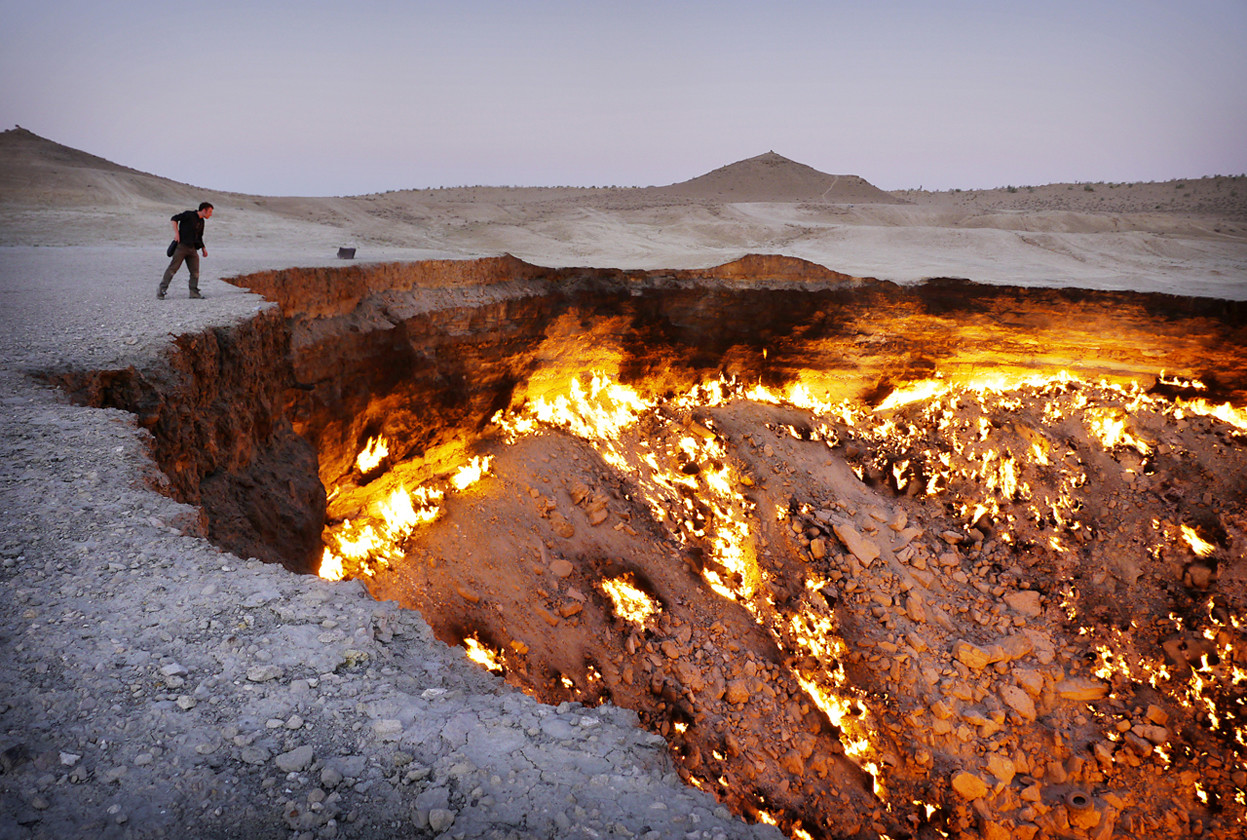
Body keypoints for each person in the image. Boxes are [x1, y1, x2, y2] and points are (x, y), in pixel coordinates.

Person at [157, 202, 213, 299]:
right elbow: (174, 219)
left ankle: (194, 292)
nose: (211, 214)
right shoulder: (189, 215)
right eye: (210, 212)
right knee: (172, 269)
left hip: (193, 249)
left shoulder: (202, 221)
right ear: (204, 210)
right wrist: (176, 233)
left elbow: (199, 236)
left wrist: (203, 249)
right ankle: (161, 290)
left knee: (195, 272)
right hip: (182, 247)